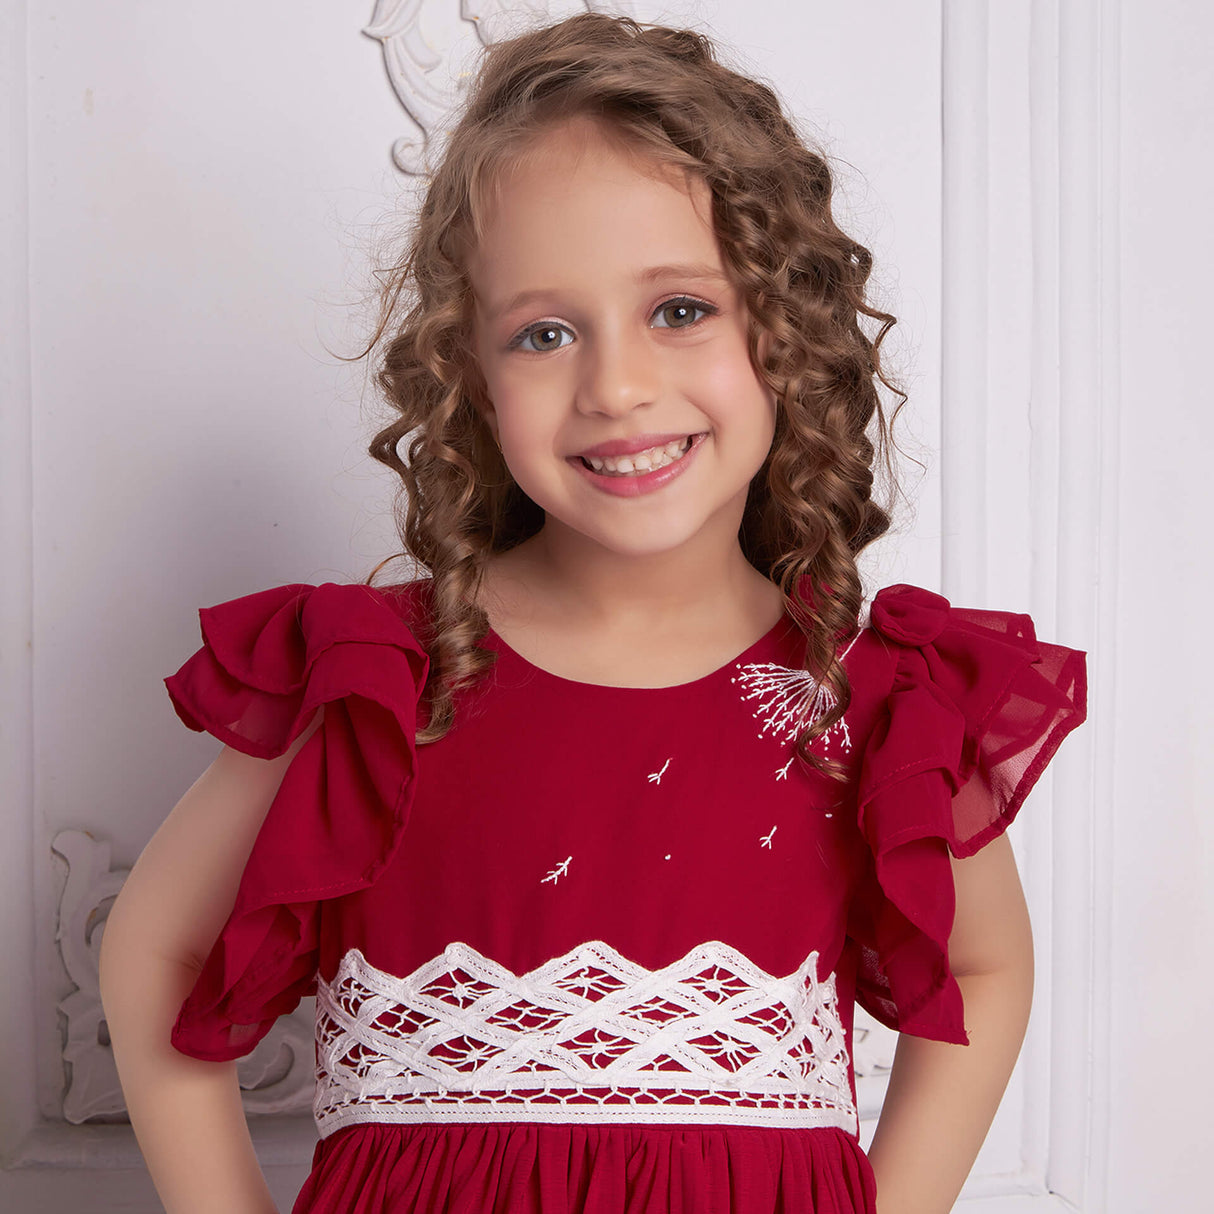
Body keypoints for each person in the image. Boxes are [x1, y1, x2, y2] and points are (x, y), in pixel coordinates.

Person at [100, 13, 1088, 1214]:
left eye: (679, 309)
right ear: (468, 373)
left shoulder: (869, 691)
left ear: (783, 328)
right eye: (544, 332)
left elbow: (985, 958)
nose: (615, 386)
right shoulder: (380, 679)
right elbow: (155, 945)